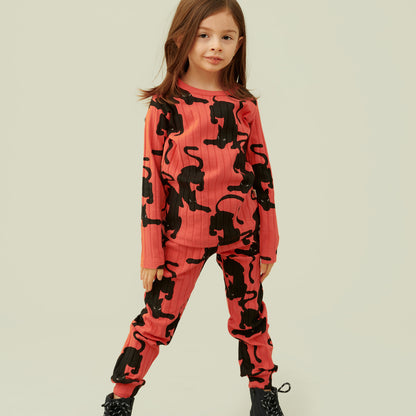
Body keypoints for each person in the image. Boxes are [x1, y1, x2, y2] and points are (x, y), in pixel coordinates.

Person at [101, 0, 291, 415]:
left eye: (226, 36)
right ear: (181, 39)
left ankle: (263, 397)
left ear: (240, 42)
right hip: (182, 236)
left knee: (252, 319)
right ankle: (119, 400)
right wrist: (152, 250)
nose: (215, 45)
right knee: (155, 321)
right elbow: (152, 181)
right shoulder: (165, 107)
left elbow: (263, 175)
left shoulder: (244, 106)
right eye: (203, 35)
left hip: (242, 235)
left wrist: (269, 241)